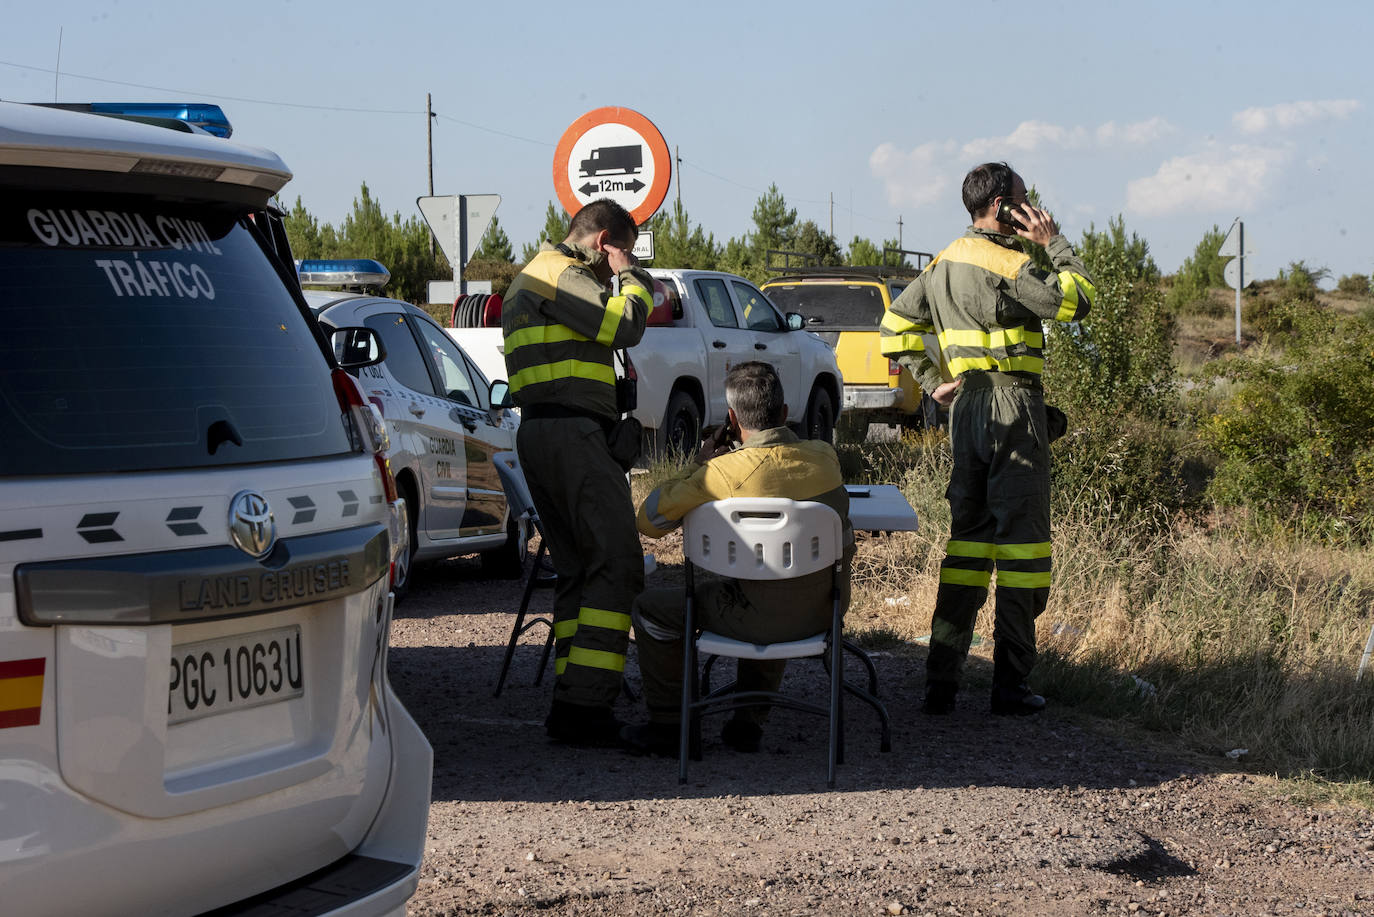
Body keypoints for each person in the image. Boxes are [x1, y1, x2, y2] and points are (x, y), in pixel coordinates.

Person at [878, 161, 1095, 717]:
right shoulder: (1011, 260)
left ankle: (941, 684)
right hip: (1012, 406)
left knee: (968, 548)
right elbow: (1077, 301)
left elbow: (894, 330)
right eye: (1026, 199)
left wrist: (933, 384)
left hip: (967, 409)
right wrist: (1056, 242)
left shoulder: (942, 261)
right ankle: (1010, 687)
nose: (1034, 208)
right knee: (1023, 551)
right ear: (1001, 207)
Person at [621, 362, 853, 756]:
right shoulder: (825, 456)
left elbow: (650, 521)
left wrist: (700, 465)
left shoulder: (719, 474)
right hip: (822, 611)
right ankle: (748, 723)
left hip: (751, 615)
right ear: (783, 413)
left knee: (651, 610)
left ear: (731, 418)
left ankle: (671, 727)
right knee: (780, 578)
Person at [502, 198, 654, 746]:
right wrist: (632, 277)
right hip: (573, 437)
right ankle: (587, 708)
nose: (623, 261)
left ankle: (572, 697)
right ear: (604, 240)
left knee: (577, 569)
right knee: (616, 564)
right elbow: (625, 324)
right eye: (623, 249)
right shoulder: (561, 275)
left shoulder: (530, 279)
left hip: (544, 433)